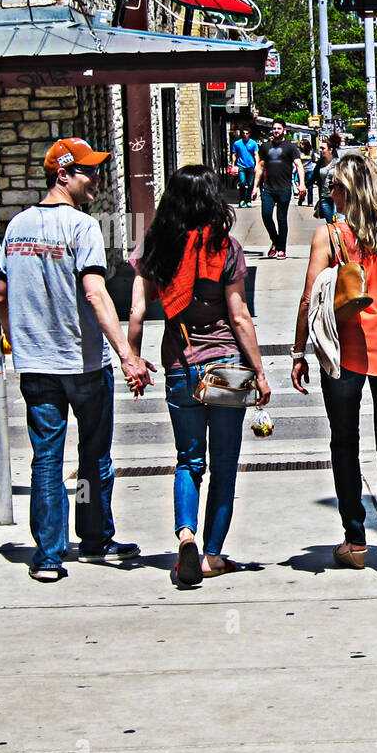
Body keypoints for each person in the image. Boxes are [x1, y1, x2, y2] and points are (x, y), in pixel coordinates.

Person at [0, 138, 155, 582]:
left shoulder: (16, 227)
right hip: (83, 363)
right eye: (87, 172)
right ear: (62, 175)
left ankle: (47, 555)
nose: (95, 180)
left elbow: (1, 294)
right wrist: (127, 354)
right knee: (93, 455)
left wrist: (14, 337)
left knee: (46, 458)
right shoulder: (81, 227)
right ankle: (96, 537)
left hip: (36, 364)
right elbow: (95, 292)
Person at [127, 166, 272, 586]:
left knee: (190, 461)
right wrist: (259, 372)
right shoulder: (225, 248)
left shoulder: (155, 248)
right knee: (225, 465)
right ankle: (211, 556)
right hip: (226, 366)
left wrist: (133, 359)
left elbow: (137, 312)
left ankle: (186, 535)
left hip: (180, 365)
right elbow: (240, 316)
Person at [290, 152, 377, 578]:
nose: (328, 194)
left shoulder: (330, 237)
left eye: (333, 187)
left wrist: (298, 353)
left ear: (346, 192)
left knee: (344, 443)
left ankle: (356, 540)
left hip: (343, 355)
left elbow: (310, 300)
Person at [252, 121, 305, 259]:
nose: (276, 131)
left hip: (284, 188)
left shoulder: (290, 147)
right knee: (266, 215)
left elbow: (299, 165)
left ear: (284, 130)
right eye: (274, 128)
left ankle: (281, 249)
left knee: (282, 219)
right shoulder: (265, 147)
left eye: (279, 128)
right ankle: (275, 241)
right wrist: (255, 187)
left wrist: (302, 184)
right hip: (268, 188)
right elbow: (260, 167)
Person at [314, 132, 342, 223]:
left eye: (323, 148)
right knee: (330, 224)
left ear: (330, 150)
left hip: (336, 198)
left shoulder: (338, 163)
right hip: (324, 197)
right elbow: (314, 176)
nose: (321, 150)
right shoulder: (320, 163)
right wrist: (304, 186)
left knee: (337, 223)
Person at [230, 127, 259, 209]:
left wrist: (256, 165)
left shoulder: (253, 143)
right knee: (242, 183)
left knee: (250, 184)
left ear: (249, 134)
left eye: (247, 133)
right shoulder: (237, 143)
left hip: (251, 165)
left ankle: (248, 200)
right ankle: (242, 200)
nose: (245, 135)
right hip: (241, 165)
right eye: (244, 133)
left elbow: (256, 154)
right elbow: (234, 154)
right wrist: (233, 165)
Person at [298, 138, 317, 207]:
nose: (301, 145)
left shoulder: (311, 152)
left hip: (309, 170)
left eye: (303, 144)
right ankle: (301, 199)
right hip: (301, 171)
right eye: (301, 144)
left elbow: (314, 159)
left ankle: (310, 202)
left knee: (310, 186)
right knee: (301, 187)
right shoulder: (299, 152)